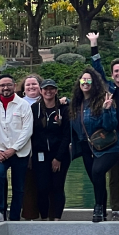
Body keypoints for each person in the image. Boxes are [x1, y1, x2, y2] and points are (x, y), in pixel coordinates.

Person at [70, 67, 119, 223]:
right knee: (96, 179)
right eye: (83, 80)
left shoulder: (102, 100)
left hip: (109, 146)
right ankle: (102, 212)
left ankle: (98, 206)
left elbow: (111, 125)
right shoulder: (76, 104)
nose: (86, 83)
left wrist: (107, 109)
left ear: (94, 83)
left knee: (97, 171)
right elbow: (74, 127)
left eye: (89, 80)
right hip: (88, 147)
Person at [88, 32, 119, 221]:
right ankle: (114, 209)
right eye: (116, 71)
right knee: (113, 176)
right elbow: (97, 70)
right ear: (112, 74)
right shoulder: (108, 88)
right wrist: (94, 44)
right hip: (112, 139)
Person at [0, 75, 32, 223]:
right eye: (2, 85)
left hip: (20, 152)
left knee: (19, 185)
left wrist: (14, 149)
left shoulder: (23, 105)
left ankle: (15, 215)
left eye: (9, 85)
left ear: (15, 86)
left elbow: (27, 130)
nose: (5, 88)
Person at [31, 79, 71, 221]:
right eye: (45, 89)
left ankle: (57, 218)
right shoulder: (34, 109)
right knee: (42, 188)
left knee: (57, 186)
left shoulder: (64, 109)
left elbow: (67, 135)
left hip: (60, 154)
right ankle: (45, 218)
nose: (48, 91)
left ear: (56, 90)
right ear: (41, 91)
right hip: (40, 155)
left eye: (51, 89)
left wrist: (58, 157)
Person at [18, 74, 42, 221]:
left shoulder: (48, 101)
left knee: (45, 183)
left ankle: (46, 215)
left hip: (44, 150)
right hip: (25, 149)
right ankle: (28, 215)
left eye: (35, 84)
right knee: (27, 184)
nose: (31, 87)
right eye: (28, 85)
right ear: (23, 88)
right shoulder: (19, 104)